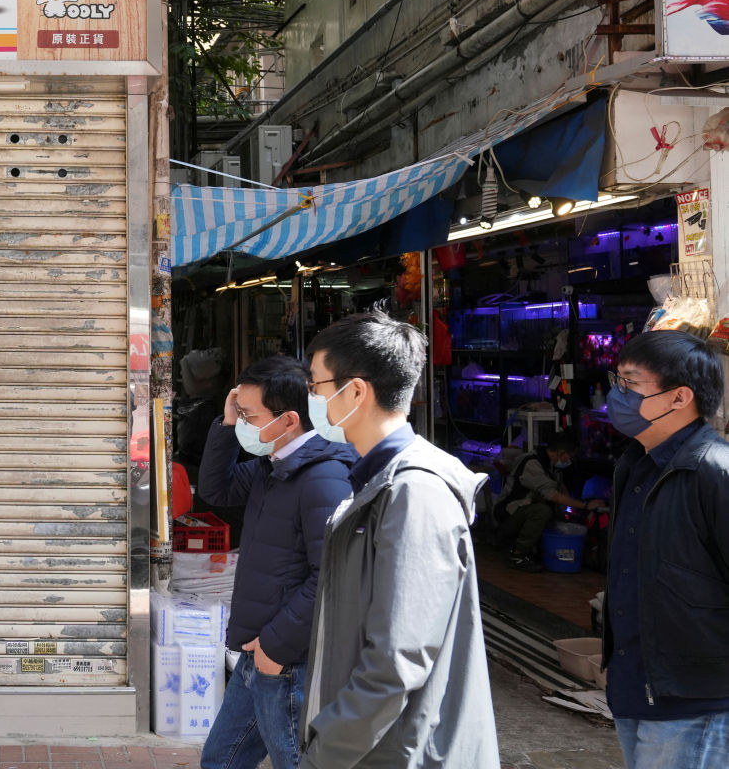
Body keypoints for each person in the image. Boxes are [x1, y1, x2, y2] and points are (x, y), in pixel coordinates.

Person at [299, 311, 499, 769]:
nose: (312, 398)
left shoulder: (415, 492)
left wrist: (327, 753)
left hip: (400, 753)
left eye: (316, 386)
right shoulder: (378, 481)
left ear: (354, 391)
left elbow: (397, 660)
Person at [195, 355, 357, 769]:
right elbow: (216, 489)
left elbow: (331, 577)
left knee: (297, 762)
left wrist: (275, 646)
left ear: (288, 421)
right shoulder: (274, 466)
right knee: (220, 761)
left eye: (250, 415)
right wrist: (229, 425)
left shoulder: (322, 479)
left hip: (285, 658)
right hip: (259, 649)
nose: (245, 422)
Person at [602, 330, 729, 769]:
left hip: (695, 701)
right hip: (636, 688)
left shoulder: (715, 472)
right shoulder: (634, 464)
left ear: (679, 398)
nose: (616, 395)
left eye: (630, 384)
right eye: (616, 380)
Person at [493, 433, 606, 571]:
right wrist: (585, 506)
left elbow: (561, 490)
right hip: (507, 516)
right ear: (561, 452)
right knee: (542, 511)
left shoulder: (552, 467)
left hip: (523, 513)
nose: (570, 460)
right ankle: (517, 555)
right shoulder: (531, 463)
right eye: (570, 456)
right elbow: (553, 495)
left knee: (557, 515)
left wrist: (574, 510)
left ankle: (538, 552)